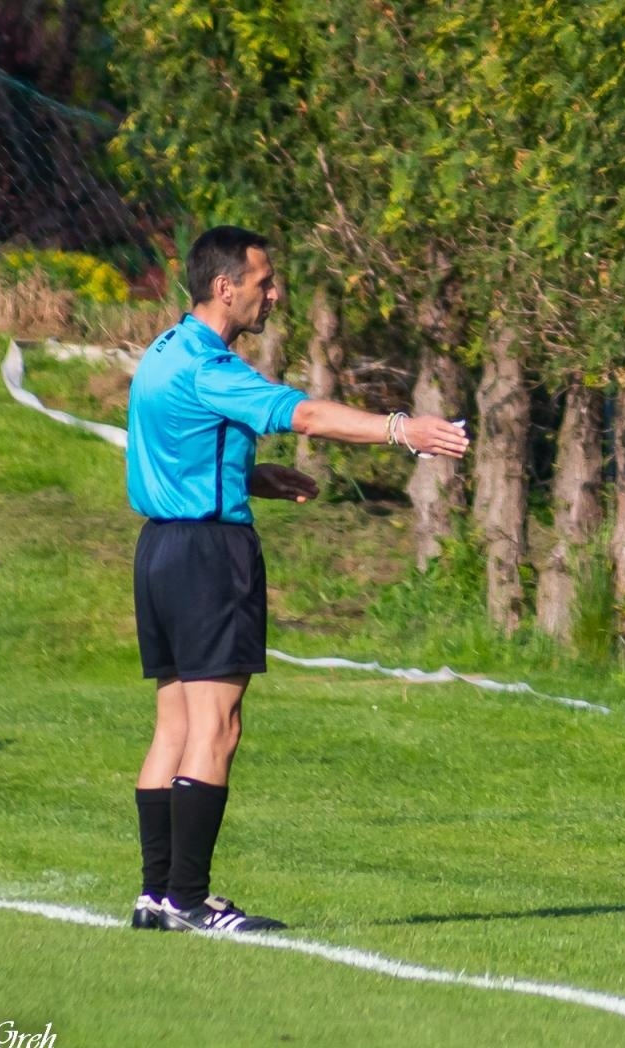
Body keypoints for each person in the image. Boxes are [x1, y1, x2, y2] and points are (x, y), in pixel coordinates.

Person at [126, 226, 469, 932]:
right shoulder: (214, 367)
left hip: (157, 552)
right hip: (208, 556)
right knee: (216, 726)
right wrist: (402, 429)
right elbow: (304, 414)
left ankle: (156, 896)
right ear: (227, 288)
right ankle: (191, 900)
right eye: (265, 281)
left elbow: (173, 448)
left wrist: (248, 477)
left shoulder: (162, 353)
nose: (275, 294)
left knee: (173, 724)